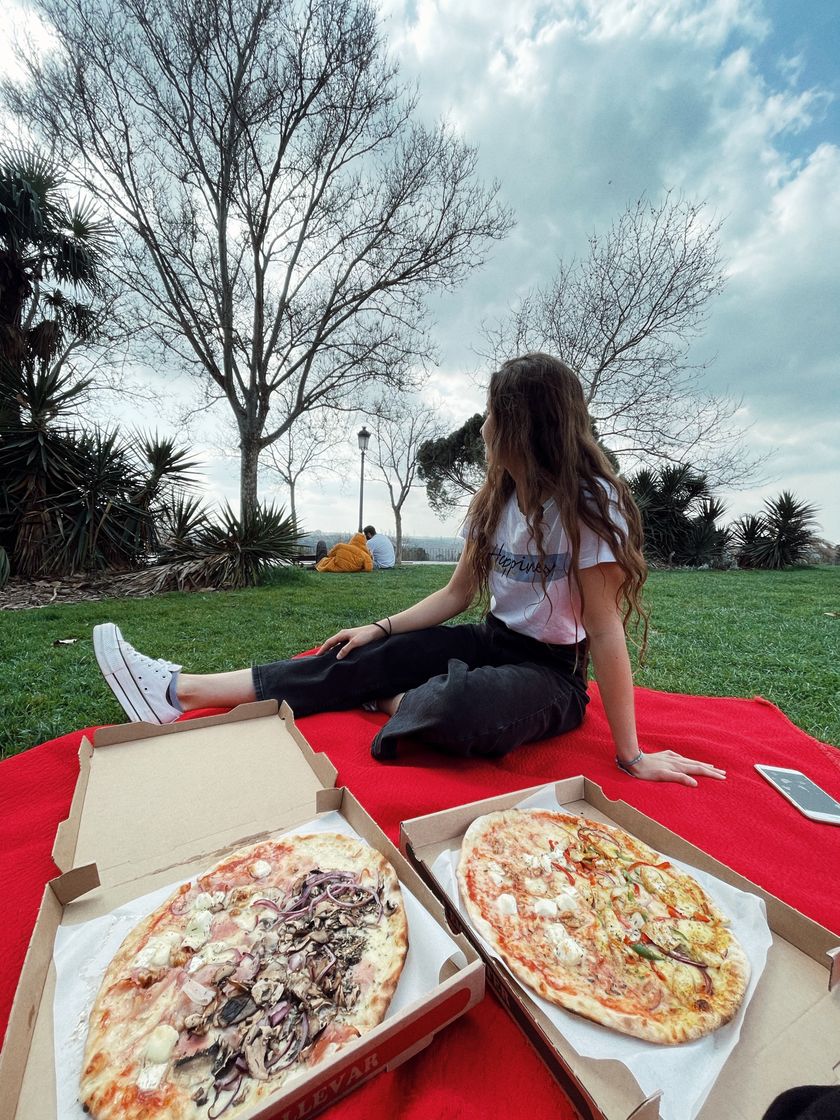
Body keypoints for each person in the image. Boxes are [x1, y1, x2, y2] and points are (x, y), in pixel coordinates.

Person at [93, 353, 725, 785]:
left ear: (527, 427)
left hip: (550, 674)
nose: (483, 430)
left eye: (494, 416)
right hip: (489, 642)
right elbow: (456, 594)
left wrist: (632, 754)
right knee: (351, 656)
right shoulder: (499, 498)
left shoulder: (589, 503)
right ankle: (178, 692)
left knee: (456, 707)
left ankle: (397, 698)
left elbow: (606, 629)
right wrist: (383, 628)